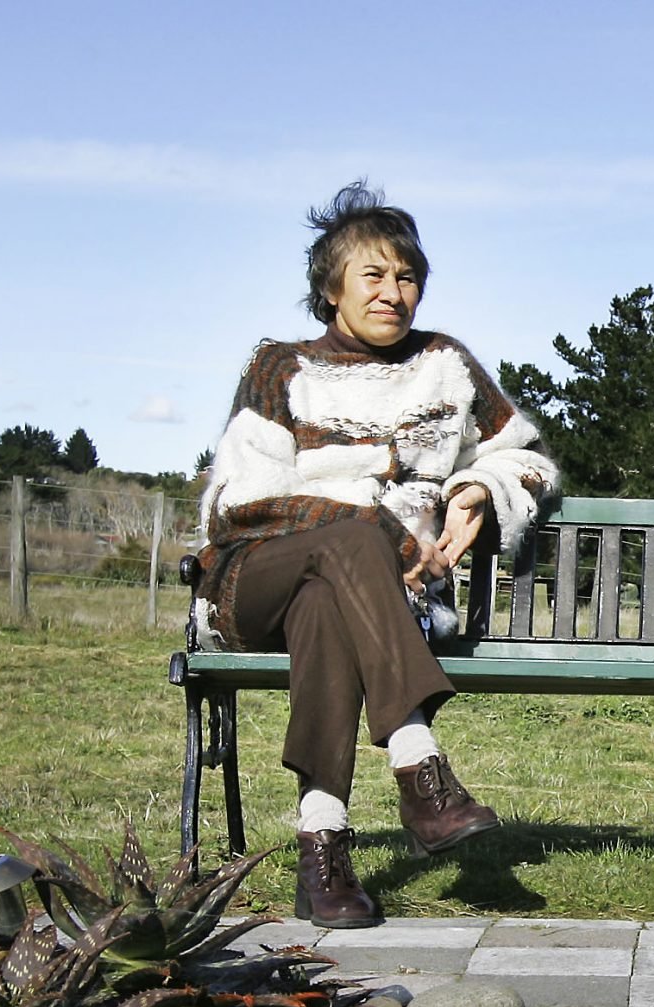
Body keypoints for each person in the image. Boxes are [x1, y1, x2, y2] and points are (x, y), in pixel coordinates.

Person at [189, 181, 558, 928]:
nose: (395, 293)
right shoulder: (279, 367)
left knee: (328, 604)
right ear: (331, 290)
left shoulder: (446, 366)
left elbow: (531, 459)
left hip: (370, 605)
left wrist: (483, 485)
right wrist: (380, 528)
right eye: (375, 275)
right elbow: (240, 501)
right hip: (253, 581)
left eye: (408, 276)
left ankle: (321, 854)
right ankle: (421, 767)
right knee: (349, 541)